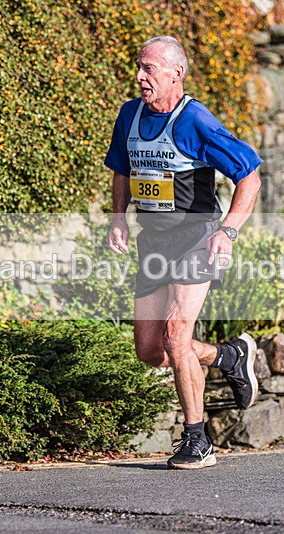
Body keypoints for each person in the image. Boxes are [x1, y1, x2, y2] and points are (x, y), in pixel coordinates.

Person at [105, 36, 263, 469]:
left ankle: (198, 441)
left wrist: (228, 231)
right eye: (139, 66)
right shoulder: (130, 115)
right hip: (152, 241)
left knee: (176, 334)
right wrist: (117, 217)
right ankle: (228, 356)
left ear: (176, 73)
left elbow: (249, 175)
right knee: (150, 349)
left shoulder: (195, 120)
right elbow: (122, 167)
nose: (140, 76)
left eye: (149, 69)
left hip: (196, 237)